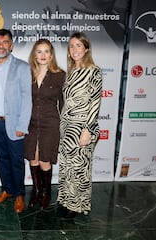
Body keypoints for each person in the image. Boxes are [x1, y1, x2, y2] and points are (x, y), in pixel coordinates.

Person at [0, 29, 32, 213]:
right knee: (1, 159)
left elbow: (27, 98)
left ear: (11, 45)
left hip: (15, 124)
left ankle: (19, 194)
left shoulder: (22, 67)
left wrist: (22, 125)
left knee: (16, 161)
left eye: (4, 42)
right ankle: (7, 190)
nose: (0, 45)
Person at [57, 32, 102, 219]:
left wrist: (88, 130)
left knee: (79, 167)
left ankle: (76, 205)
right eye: (71, 46)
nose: (74, 50)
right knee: (67, 166)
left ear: (86, 49)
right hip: (67, 126)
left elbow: (95, 102)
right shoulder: (71, 71)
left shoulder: (94, 71)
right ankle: (66, 200)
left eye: (78, 46)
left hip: (83, 126)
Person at [24, 39, 65, 210]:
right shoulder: (27, 74)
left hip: (50, 123)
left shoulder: (60, 75)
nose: (42, 55)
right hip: (30, 122)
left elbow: (64, 103)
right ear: (34, 54)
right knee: (33, 158)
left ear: (51, 55)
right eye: (39, 51)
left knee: (44, 160)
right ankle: (37, 190)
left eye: (46, 51)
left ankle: (46, 192)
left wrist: (65, 126)